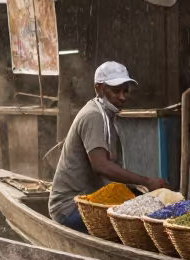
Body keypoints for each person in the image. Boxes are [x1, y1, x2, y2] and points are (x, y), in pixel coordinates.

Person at [48, 61, 167, 232]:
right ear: (99, 88)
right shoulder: (93, 116)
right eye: (116, 91)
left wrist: (141, 190)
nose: (122, 97)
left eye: (125, 91)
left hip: (92, 202)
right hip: (69, 208)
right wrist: (146, 182)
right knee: (135, 228)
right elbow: (101, 166)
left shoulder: (107, 116)